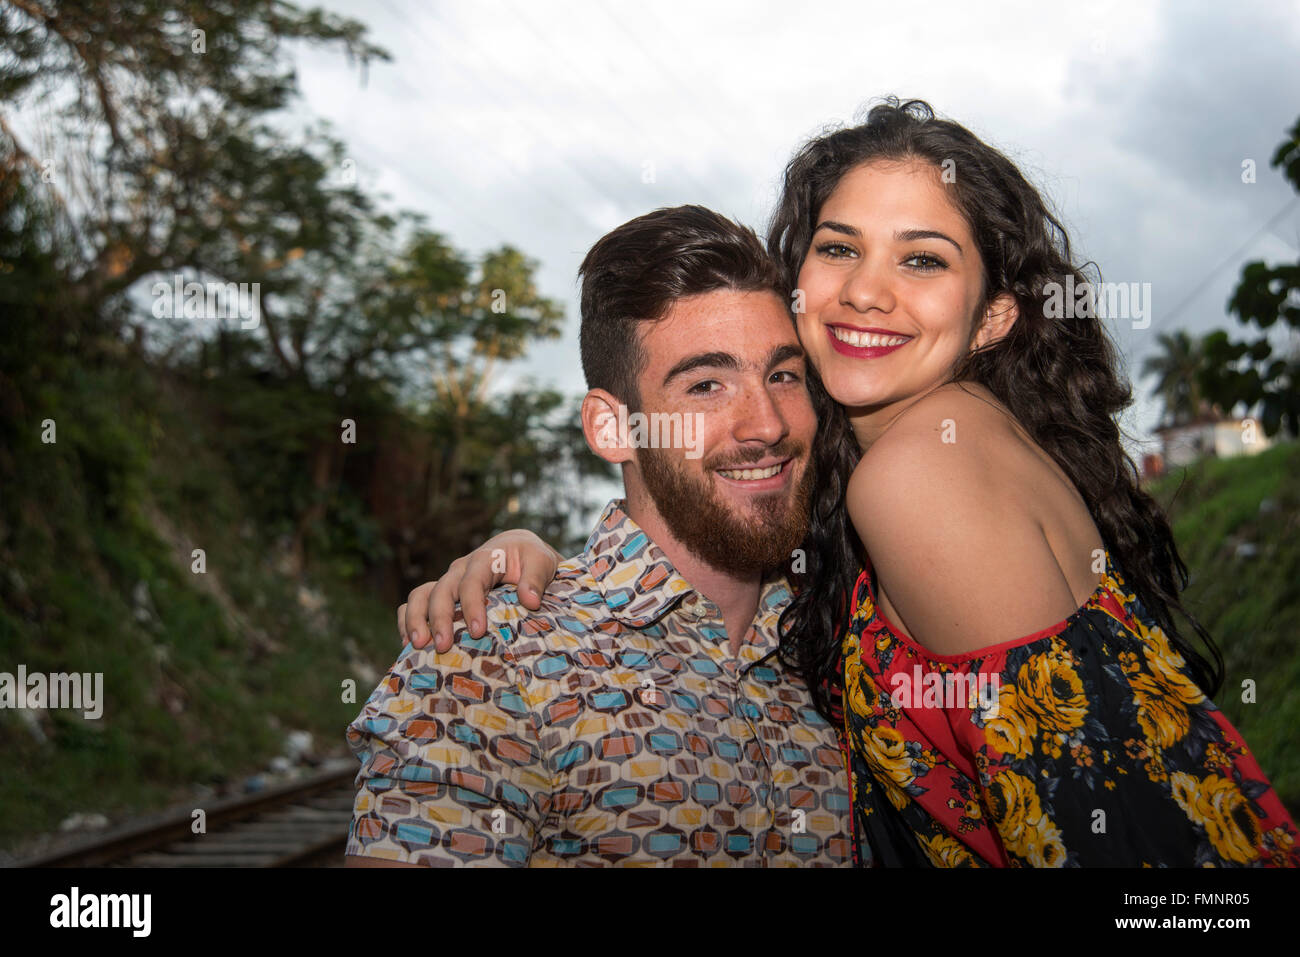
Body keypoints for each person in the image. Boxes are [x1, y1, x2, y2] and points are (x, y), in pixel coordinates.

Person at [407, 98, 1299, 868]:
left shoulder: (921, 471)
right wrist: (545, 559)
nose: (867, 291)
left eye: (922, 259)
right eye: (840, 247)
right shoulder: (920, 462)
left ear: (992, 316)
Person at [345, 205, 853, 867]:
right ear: (613, 428)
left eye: (783, 375)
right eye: (706, 384)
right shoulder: (488, 657)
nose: (766, 424)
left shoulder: (844, 649)